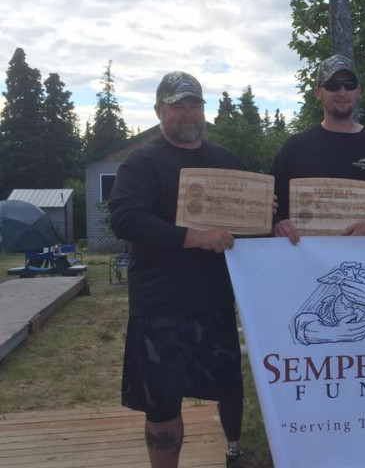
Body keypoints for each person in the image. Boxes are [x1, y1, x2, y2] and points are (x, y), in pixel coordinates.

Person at [108, 71, 248, 468]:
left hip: (217, 301)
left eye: (194, 104)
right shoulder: (141, 162)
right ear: (158, 111)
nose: (187, 113)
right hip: (160, 306)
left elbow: (245, 220)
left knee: (229, 388)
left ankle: (235, 450)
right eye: (177, 105)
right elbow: (126, 220)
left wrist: (262, 212)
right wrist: (197, 238)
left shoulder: (225, 160)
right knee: (162, 403)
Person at [270, 54, 365, 243]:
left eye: (349, 84)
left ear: (358, 90)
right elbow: (269, 206)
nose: (342, 92)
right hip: (307, 263)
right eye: (333, 85)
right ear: (318, 93)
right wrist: (277, 224)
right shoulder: (294, 148)